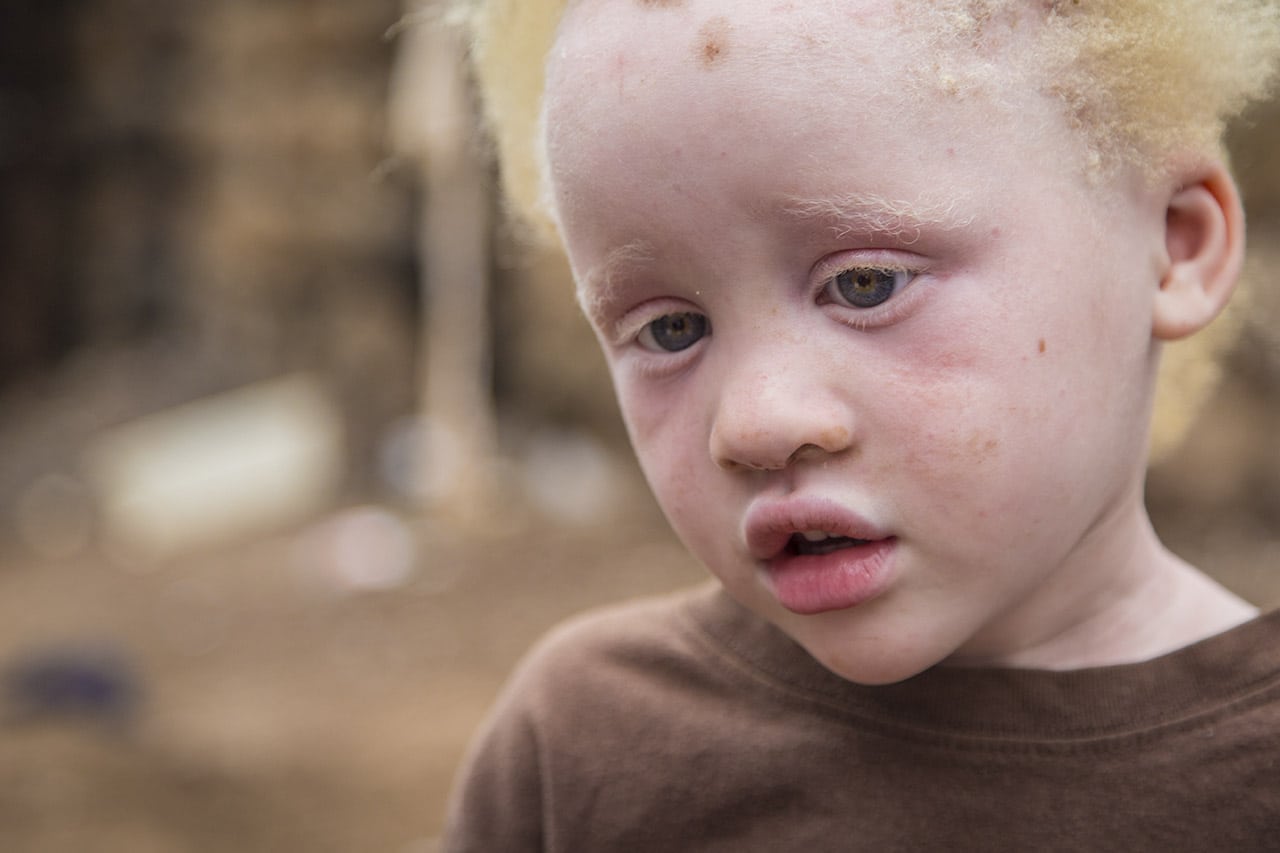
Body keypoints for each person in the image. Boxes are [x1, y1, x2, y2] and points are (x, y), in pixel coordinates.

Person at [443, 1, 1280, 849]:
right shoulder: (584, 751)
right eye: (671, 329)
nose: (756, 424)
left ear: (1174, 244)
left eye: (867, 283)